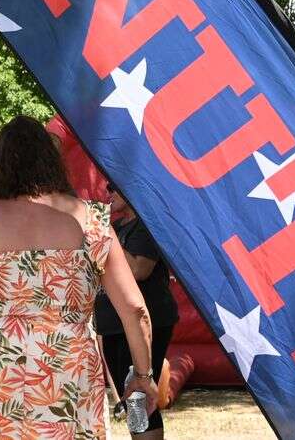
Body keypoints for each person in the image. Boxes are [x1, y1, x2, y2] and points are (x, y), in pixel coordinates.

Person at [0, 116, 158, 440]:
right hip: (68, 372)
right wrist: (143, 376)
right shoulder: (91, 219)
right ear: (51, 161)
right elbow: (135, 310)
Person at [96, 183, 178, 439]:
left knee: (138, 396)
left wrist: (98, 231)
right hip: (113, 325)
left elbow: (138, 269)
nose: (107, 192)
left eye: (113, 186)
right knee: (131, 397)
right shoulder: (117, 228)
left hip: (141, 324)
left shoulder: (146, 224)